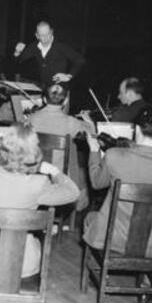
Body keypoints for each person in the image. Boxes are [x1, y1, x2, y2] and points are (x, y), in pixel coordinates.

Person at [0, 122, 79, 303]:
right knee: (33, 244)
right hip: (25, 267)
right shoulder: (40, 184)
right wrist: (55, 172)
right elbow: (73, 193)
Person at [83, 104, 152, 257]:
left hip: (114, 239)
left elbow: (97, 183)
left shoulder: (114, 156)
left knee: (90, 218)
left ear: (137, 129)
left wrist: (93, 151)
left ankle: (104, 266)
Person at [30, 84, 94, 212]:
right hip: (59, 175)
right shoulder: (71, 122)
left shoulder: (32, 118)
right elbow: (91, 135)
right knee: (84, 175)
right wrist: (90, 123)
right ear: (65, 101)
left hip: (35, 172)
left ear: (44, 99)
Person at [13, 20, 85, 89]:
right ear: (37, 36)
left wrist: (69, 76)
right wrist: (17, 52)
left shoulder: (61, 45)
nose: (46, 38)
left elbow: (80, 60)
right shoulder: (34, 47)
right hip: (43, 88)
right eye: (42, 35)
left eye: (48, 34)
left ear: (51, 31)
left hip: (60, 89)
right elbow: (19, 60)